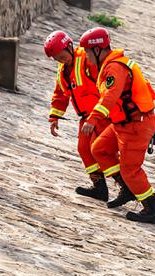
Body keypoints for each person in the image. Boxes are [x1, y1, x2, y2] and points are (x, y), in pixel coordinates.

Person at [79, 27, 155, 224]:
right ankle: (127, 188)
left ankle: (152, 208)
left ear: (98, 50)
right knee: (99, 149)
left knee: (130, 169)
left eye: (88, 52)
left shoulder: (114, 68)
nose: (86, 56)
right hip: (122, 124)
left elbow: (110, 97)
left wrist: (93, 120)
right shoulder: (109, 65)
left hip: (136, 125)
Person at [44, 30, 111, 201]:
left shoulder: (87, 60)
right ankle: (99, 187)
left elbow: (106, 81)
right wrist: (55, 116)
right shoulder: (62, 71)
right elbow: (60, 94)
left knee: (102, 150)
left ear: (69, 46)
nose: (61, 60)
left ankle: (124, 186)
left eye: (62, 55)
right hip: (86, 118)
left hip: (101, 115)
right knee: (83, 149)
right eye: (57, 58)